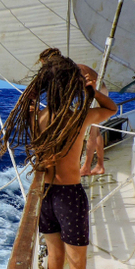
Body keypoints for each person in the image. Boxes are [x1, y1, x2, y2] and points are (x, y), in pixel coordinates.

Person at [0, 53, 117, 269]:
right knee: (77, 262)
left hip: (45, 195)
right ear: (72, 88)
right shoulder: (79, 117)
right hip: (70, 195)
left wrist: (34, 93)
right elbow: (111, 109)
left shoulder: (39, 118)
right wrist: (92, 90)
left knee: (55, 259)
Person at [37, 48, 110, 176]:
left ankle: (87, 167)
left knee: (92, 130)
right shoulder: (69, 67)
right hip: (99, 89)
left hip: (97, 90)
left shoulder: (68, 70)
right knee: (96, 130)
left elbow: (81, 84)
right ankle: (99, 165)